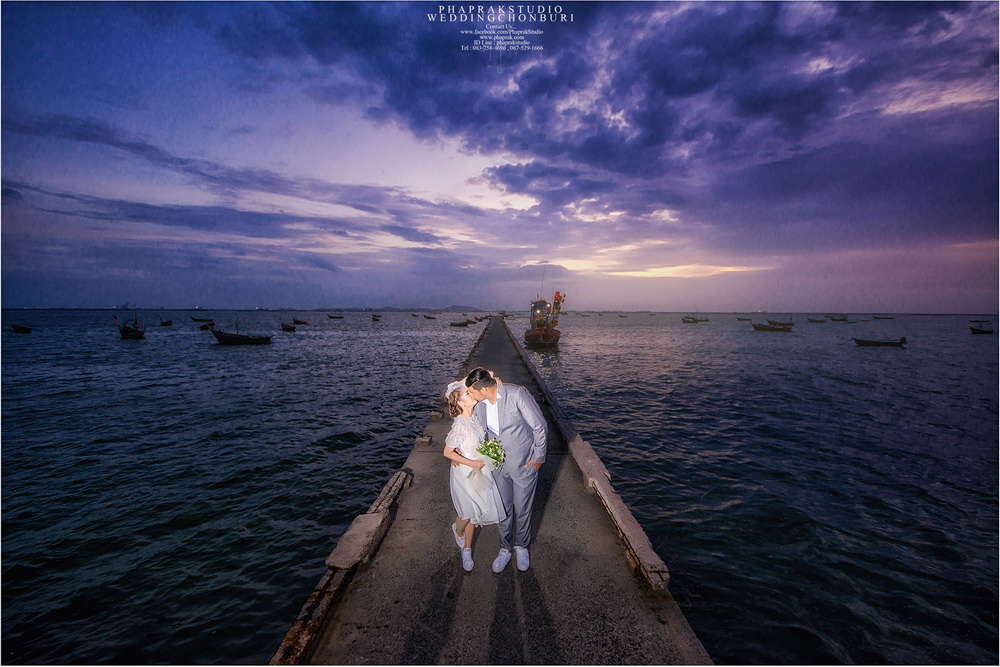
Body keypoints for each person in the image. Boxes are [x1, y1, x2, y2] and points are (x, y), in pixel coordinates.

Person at [464, 367, 547, 573]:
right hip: (497, 468)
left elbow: (539, 426)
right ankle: (504, 548)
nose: (470, 396)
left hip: (523, 465)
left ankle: (521, 547)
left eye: (472, 392)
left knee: (523, 509)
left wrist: (538, 458)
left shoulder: (517, 394)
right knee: (502, 510)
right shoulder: (480, 405)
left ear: (483, 389)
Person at [443, 380, 507, 572]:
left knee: (475, 513)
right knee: (467, 513)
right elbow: (447, 451)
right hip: (465, 473)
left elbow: (479, 381)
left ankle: (467, 550)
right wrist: (471, 463)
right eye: (467, 394)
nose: (472, 394)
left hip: (478, 469)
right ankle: (457, 529)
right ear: (460, 402)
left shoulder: (474, 418)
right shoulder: (460, 425)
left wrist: (496, 381)